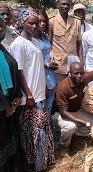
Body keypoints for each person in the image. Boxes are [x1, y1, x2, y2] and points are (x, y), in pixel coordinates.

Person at [9, 9, 55, 171]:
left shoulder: (34, 42)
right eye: (31, 23)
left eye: (36, 23)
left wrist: (43, 88)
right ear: (22, 23)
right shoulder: (18, 44)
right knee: (31, 133)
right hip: (29, 96)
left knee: (41, 130)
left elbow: (37, 68)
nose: (35, 26)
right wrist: (28, 94)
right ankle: (31, 165)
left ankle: (40, 164)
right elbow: (19, 71)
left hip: (39, 93)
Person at [0, 14, 24, 172]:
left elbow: (13, 69)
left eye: (2, 26)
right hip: (2, 107)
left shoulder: (2, 48)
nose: (0, 29)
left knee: (10, 141)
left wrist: (17, 95)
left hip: (9, 105)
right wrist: (5, 105)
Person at [49, 0, 83, 82]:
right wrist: (50, 60)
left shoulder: (76, 21)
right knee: (60, 90)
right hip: (59, 64)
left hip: (74, 63)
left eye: (68, 4)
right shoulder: (52, 21)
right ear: (58, 5)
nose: (65, 6)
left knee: (74, 90)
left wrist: (81, 63)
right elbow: (49, 43)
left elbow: (79, 44)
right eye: (63, 4)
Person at [33, 9, 59, 119]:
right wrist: (46, 65)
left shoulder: (44, 37)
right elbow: (32, 62)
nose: (42, 24)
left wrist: (52, 62)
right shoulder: (31, 39)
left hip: (50, 77)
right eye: (40, 21)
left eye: (44, 21)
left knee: (48, 108)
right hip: (40, 77)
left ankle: (47, 133)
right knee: (40, 110)